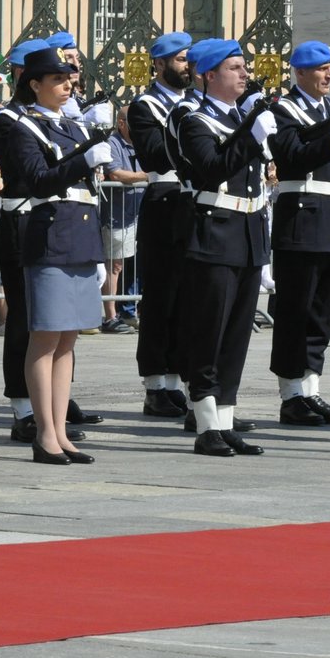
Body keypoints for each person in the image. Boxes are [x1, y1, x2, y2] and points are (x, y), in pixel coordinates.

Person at [0, 46, 106, 465]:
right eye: (57, 79)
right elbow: (38, 180)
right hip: (49, 233)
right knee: (45, 335)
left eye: (69, 78)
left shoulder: (72, 127)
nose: (67, 86)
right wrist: (85, 161)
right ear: (34, 84)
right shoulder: (19, 124)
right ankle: (44, 432)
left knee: (68, 338)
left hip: (78, 234)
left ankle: (61, 430)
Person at [259, 39, 330, 427]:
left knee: (323, 312)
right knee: (295, 310)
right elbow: (291, 156)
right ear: (301, 72)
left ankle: (310, 389)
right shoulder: (283, 110)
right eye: (322, 69)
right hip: (302, 221)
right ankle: (291, 396)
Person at [172, 38, 270, 457]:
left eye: (243, 67)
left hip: (247, 233)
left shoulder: (240, 117)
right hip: (213, 233)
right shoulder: (192, 117)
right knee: (208, 332)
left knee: (235, 336)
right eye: (235, 67)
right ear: (208, 75)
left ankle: (225, 421)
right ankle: (206, 422)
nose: (244, 73)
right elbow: (211, 168)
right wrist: (251, 135)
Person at [0, 39, 51, 443]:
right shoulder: (5, 118)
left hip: (51, 221)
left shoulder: (53, 117)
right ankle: (22, 405)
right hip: (22, 219)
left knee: (56, 319)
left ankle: (52, 396)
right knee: (25, 317)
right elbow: (32, 169)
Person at [126, 31, 194, 417]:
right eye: (182, 60)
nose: (188, 67)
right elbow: (154, 155)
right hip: (164, 199)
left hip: (193, 200)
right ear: (161, 64)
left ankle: (177, 380)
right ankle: (155, 384)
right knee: (161, 296)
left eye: (189, 60)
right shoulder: (145, 105)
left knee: (186, 298)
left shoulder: (196, 101)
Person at [98, 104, 146, 334]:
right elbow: (115, 173)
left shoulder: (142, 142)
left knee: (137, 264)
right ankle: (110, 316)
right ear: (121, 123)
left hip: (140, 213)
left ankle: (130, 310)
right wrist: (146, 176)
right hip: (118, 215)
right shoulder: (112, 143)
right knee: (114, 265)